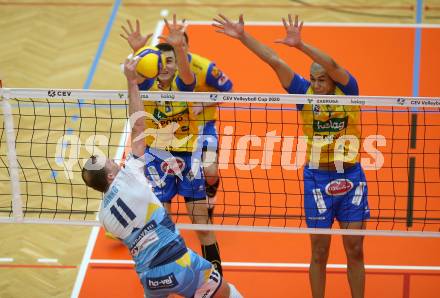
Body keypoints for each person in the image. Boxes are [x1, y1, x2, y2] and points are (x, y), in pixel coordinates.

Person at [213, 14, 369, 298]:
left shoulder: (350, 92)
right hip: (318, 179)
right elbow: (274, 60)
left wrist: (299, 45)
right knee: (319, 251)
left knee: (355, 248)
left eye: (322, 80)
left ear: (333, 81)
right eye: (313, 79)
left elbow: (334, 65)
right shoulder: (304, 95)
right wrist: (243, 37)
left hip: (351, 178)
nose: (317, 84)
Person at [81, 57, 241, 298]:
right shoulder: (131, 176)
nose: (116, 160)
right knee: (230, 293)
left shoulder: (104, 216)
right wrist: (131, 81)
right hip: (180, 264)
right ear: (112, 174)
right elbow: (137, 128)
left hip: (149, 278)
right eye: (111, 161)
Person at [120, 15, 224, 275]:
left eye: (171, 61)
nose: (166, 66)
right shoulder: (147, 86)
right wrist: (135, 61)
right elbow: (135, 98)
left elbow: (187, 73)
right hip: (157, 158)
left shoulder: (184, 83)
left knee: (201, 223)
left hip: (189, 157)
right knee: (161, 222)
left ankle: (216, 276)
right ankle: (162, 271)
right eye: (161, 61)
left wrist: (179, 46)